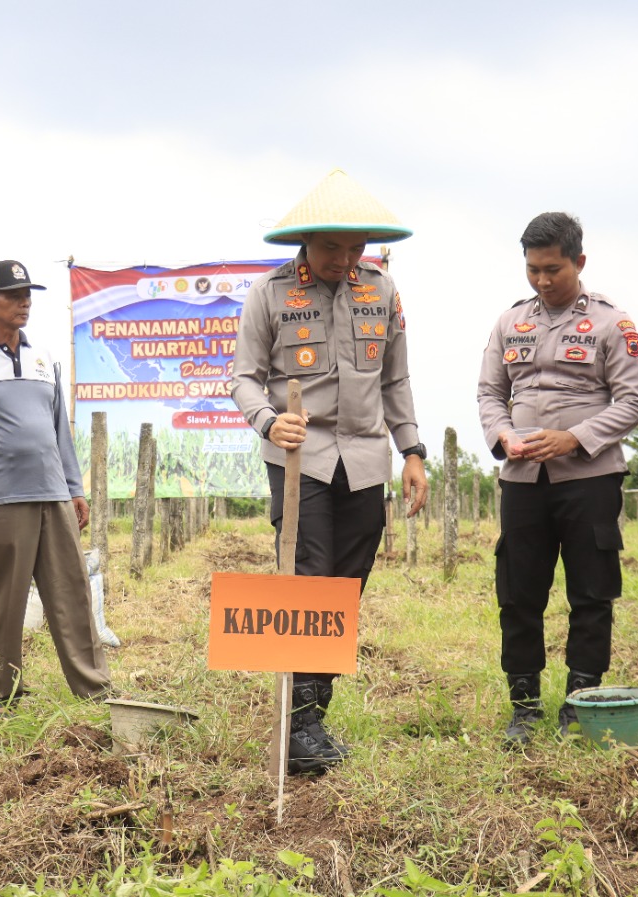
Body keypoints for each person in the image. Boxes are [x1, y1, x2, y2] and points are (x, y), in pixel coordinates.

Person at [230, 169, 428, 774]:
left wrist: (413, 451)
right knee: (307, 581)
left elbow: (395, 379)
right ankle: (300, 722)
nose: (345, 259)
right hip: (301, 458)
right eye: (332, 247)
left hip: (366, 459)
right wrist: (269, 422)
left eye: (356, 247)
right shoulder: (268, 293)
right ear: (307, 243)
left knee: (346, 587)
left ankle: (315, 708)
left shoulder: (382, 291)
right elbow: (243, 378)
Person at [477, 212, 638, 743]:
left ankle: (581, 701)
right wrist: (504, 436)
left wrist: (574, 438)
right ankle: (523, 706)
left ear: (579, 261)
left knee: (592, 592)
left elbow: (633, 402)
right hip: (523, 480)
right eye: (532, 270)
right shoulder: (510, 322)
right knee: (518, 591)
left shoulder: (612, 324)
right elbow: (489, 394)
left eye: (553, 269)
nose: (543, 281)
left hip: (589, 479)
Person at [0, 260, 111, 712]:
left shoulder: (44, 356)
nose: (24, 301)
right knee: (1, 602)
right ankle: (1, 697)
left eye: (28, 293)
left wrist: (75, 487)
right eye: (12, 294)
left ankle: (96, 689)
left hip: (53, 495)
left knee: (72, 595)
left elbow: (59, 429)